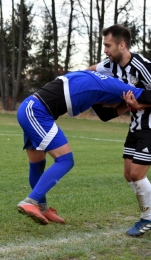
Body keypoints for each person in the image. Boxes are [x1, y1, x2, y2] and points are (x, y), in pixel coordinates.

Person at [16, 70, 151, 226]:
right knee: (65, 160)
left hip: (29, 108)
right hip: (37, 113)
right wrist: (136, 103)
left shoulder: (100, 81)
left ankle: (42, 207)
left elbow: (104, 114)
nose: (106, 105)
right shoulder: (119, 87)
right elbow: (144, 95)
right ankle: (30, 202)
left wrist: (127, 105)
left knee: (37, 165)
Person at [86, 24, 151, 237]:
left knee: (137, 173)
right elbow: (90, 71)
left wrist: (140, 106)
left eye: (108, 45)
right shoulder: (110, 65)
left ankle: (148, 218)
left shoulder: (142, 66)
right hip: (135, 126)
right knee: (128, 175)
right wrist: (70, 81)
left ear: (121, 45)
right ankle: (148, 212)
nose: (105, 49)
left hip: (150, 126)